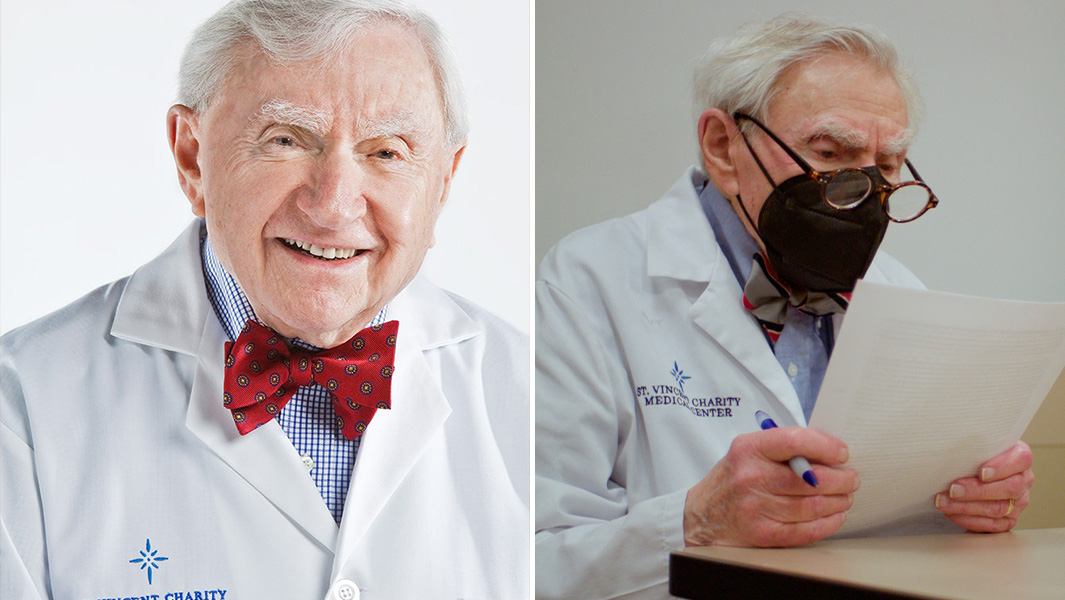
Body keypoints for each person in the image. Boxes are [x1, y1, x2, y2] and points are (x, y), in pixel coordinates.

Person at [1, 1, 529, 598]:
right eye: (285, 140)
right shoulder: (23, 406)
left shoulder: (521, 389)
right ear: (192, 157)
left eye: (387, 152)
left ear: (443, 181)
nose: (333, 206)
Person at [535, 14, 1034, 599]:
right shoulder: (590, 280)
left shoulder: (900, 292)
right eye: (829, 152)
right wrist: (696, 522)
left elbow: (908, 537)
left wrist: (973, 504)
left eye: (887, 166)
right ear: (723, 147)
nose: (864, 194)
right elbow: (532, 561)